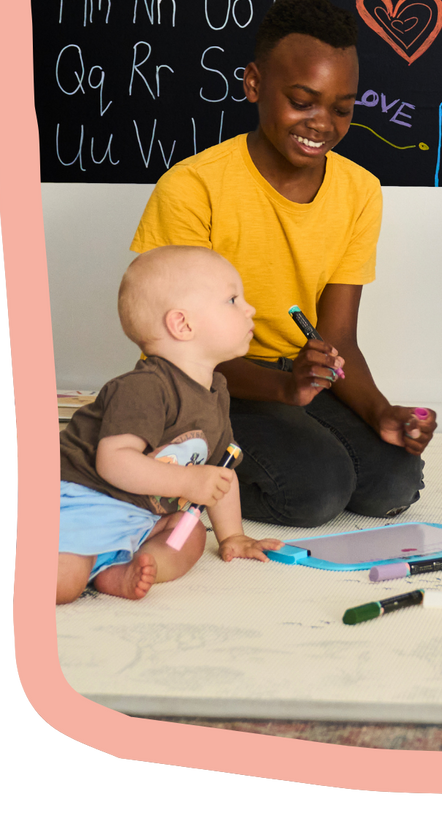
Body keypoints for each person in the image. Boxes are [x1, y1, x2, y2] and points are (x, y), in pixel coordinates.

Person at [129, 0, 434, 530]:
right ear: (253, 85)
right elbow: (175, 349)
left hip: (296, 380)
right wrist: (284, 389)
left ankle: (238, 456)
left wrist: (380, 412)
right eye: (303, 100)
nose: (322, 124)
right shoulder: (192, 188)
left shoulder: (360, 191)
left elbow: (338, 340)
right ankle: (173, 474)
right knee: (316, 492)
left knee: (394, 482)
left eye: (341, 108)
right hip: (201, 383)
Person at [58, 246, 282, 603]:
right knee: (63, 583)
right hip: (86, 503)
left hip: (143, 518)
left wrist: (232, 536)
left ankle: (122, 571)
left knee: (190, 535)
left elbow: (220, 473)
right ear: (182, 324)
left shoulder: (215, 392)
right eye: (233, 299)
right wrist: (188, 481)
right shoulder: (143, 387)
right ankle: (73, 560)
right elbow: (114, 461)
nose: (249, 308)